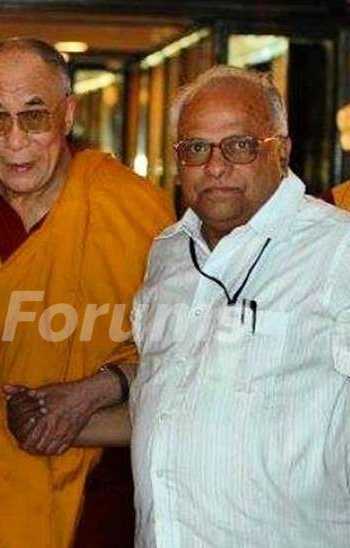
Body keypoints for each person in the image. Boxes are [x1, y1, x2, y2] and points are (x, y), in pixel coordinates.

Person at [0, 38, 174, 548]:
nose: (15, 140)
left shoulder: (132, 208)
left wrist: (95, 390)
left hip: (93, 491)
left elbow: (183, 358)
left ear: (67, 114)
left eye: (34, 116)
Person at [123, 66, 349, 546]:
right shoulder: (166, 253)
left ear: (282, 150)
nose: (215, 166)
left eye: (240, 146)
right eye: (196, 148)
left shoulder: (336, 251)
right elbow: (165, 400)